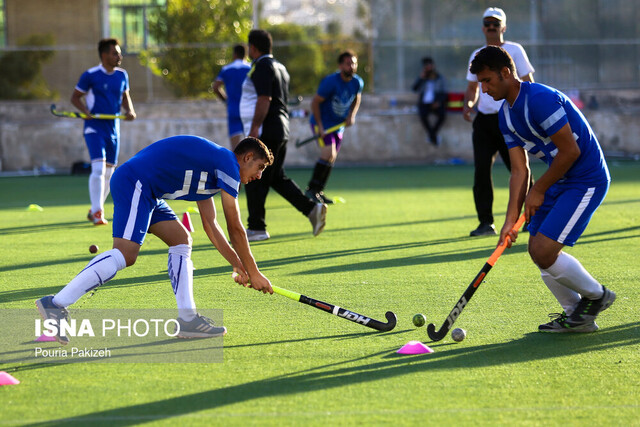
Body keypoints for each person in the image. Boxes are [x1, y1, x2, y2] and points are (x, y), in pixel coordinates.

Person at [36, 136, 275, 345]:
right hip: (136, 182)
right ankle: (55, 304)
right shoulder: (228, 165)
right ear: (247, 157)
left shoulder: (215, 170)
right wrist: (254, 272)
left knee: (181, 240)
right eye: (260, 166)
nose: (259, 175)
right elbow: (235, 227)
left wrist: (238, 264)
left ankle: (188, 320)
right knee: (126, 254)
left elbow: (211, 225)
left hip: (149, 191)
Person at [469, 45, 615, 333]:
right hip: (559, 180)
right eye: (480, 83)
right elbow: (519, 170)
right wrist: (510, 220)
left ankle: (597, 296)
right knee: (537, 250)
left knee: (546, 250)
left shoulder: (539, 100)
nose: (483, 89)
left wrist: (539, 190)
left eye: (487, 80)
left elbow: (570, 151)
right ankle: (577, 316)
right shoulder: (505, 115)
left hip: (585, 178)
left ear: (506, 73)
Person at [239, 29, 326, 242]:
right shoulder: (280, 67)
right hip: (280, 129)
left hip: (266, 130)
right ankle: (311, 210)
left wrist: (253, 129)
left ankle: (257, 227)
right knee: (276, 177)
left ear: (253, 47)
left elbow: (265, 99)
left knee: (253, 175)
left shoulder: (261, 66)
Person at [463, 7, 534, 236]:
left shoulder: (514, 50)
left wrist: (527, 109)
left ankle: (533, 218)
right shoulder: (477, 55)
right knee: (481, 171)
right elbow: (472, 87)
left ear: (503, 27)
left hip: (510, 117)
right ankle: (486, 223)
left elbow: (527, 81)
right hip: (484, 122)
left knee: (520, 169)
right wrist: (469, 104)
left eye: (496, 23)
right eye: (488, 23)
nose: (491, 27)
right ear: (483, 27)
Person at [71, 38, 136, 226]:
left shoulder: (122, 75)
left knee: (109, 173)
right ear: (104, 55)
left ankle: (94, 210)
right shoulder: (90, 75)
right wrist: (85, 112)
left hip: (113, 128)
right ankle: (98, 211)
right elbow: (75, 97)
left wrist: (129, 111)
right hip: (94, 128)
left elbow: (125, 97)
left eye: (119, 52)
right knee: (98, 169)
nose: (119, 56)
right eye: (115, 53)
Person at [305, 50, 364, 204]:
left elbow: (357, 98)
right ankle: (311, 190)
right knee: (327, 153)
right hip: (322, 124)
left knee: (332, 157)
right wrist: (320, 125)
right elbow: (315, 102)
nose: (351, 66)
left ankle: (319, 191)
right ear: (340, 66)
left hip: (338, 126)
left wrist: (352, 115)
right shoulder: (330, 82)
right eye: (348, 63)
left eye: (353, 63)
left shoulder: (357, 82)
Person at [212, 44, 251, 150]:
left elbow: (215, 87)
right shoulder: (251, 67)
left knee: (235, 149)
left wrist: (226, 100)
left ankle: (235, 166)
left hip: (233, 108)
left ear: (234, 54)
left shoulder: (226, 69)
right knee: (252, 146)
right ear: (246, 54)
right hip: (248, 109)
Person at [412, 56, 447, 146]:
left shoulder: (439, 78)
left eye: (429, 65)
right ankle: (433, 136)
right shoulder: (423, 77)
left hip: (435, 102)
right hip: (424, 103)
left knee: (442, 115)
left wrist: (438, 102)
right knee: (423, 116)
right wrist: (421, 78)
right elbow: (414, 88)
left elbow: (443, 92)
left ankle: (431, 135)